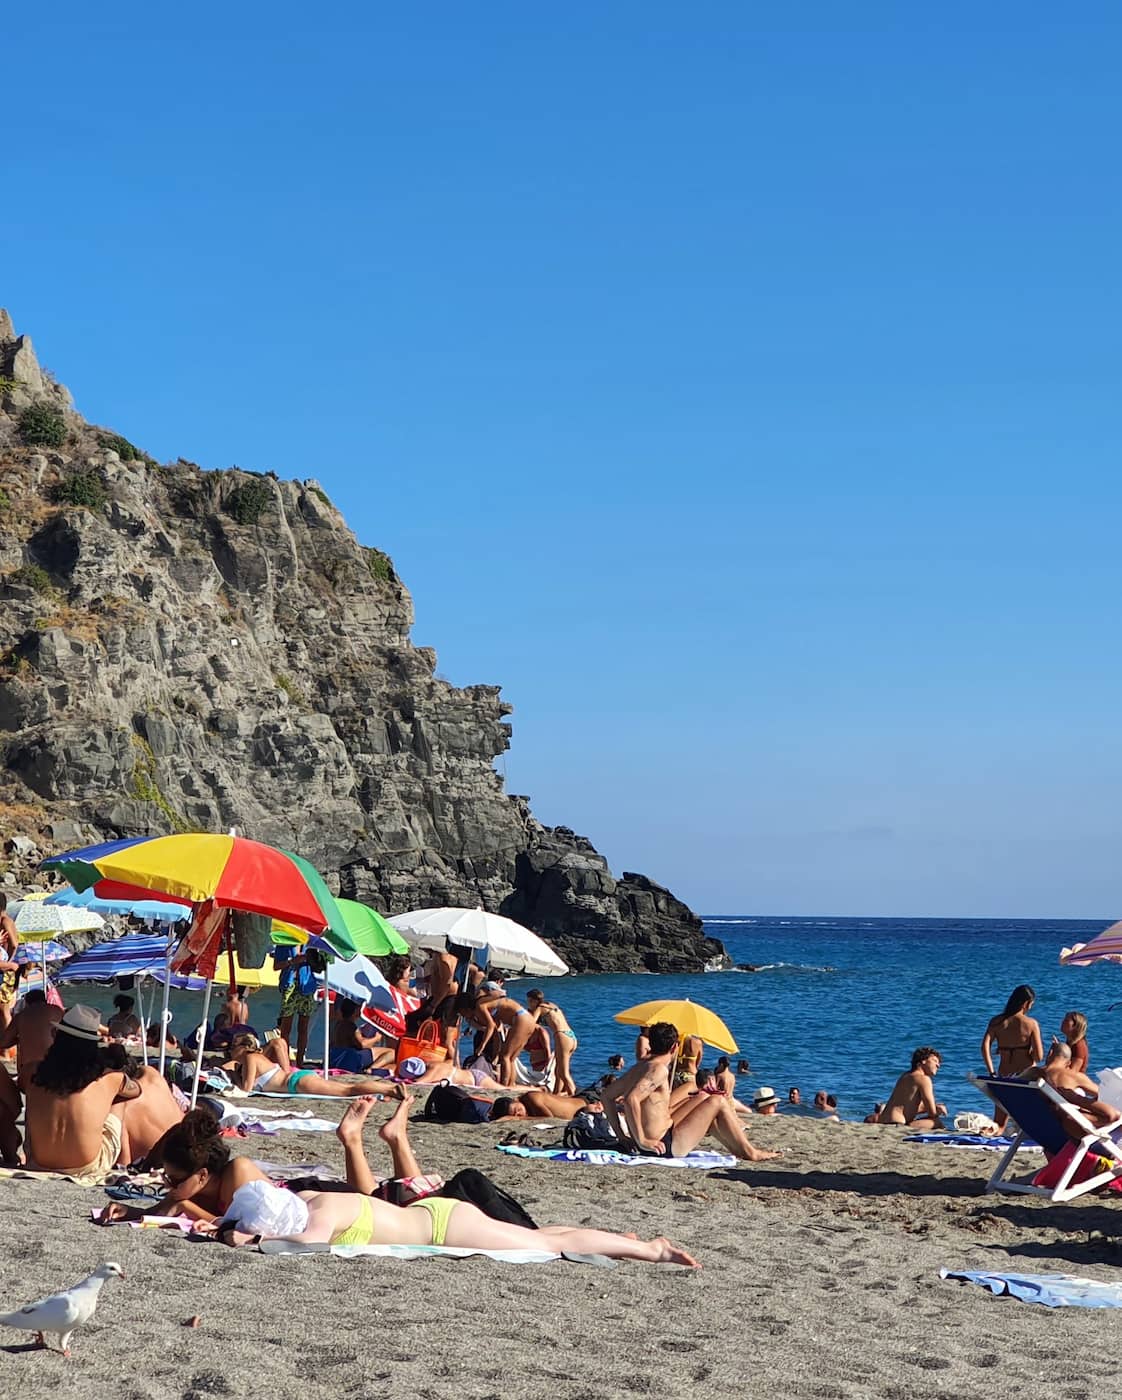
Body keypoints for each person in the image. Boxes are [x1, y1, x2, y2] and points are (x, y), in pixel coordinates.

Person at [213, 1174, 700, 1266]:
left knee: (546, 1246)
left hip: (446, 1228)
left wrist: (247, 1241)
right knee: (537, 1236)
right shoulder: (315, 1198)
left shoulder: (322, 1215)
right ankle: (618, 1240)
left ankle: (649, 1249)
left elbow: (304, 1247)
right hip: (437, 1216)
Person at [601, 1022, 780, 1162]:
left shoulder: (640, 1066)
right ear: (674, 1048)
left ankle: (740, 1150)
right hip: (663, 1146)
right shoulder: (659, 1070)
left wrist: (622, 1136)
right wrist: (642, 1140)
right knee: (717, 1101)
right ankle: (750, 1152)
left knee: (703, 1098)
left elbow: (607, 1096)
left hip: (661, 1134)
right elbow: (632, 1099)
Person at [98, 1107, 272, 1226]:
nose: (168, 1185)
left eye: (174, 1180)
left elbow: (240, 1227)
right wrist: (127, 1212)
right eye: (166, 1177)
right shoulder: (188, 1187)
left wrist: (186, 1207)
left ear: (202, 1175)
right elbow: (157, 1212)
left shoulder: (237, 1173)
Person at [25, 1004, 140, 1173]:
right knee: (119, 1099)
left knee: (34, 1102)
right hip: (87, 1164)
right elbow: (137, 1090)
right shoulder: (110, 1079)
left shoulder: (31, 1071)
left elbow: (23, 1087)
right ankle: (125, 1161)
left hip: (39, 1160)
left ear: (56, 1036)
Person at [226, 1033, 400, 1098]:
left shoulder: (251, 1058)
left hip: (296, 1083)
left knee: (348, 1090)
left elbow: (246, 1089)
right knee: (347, 1089)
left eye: (233, 1047)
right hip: (296, 1081)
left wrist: (234, 1076)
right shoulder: (256, 1058)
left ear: (243, 1048)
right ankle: (386, 1090)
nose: (231, 1051)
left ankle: (389, 1089)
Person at [100, 1044, 184, 1165]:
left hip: (164, 1161)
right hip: (185, 1141)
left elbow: (123, 1162)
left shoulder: (118, 1108)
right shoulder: (152, 1075)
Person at [981, 985, 1043, 1129]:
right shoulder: (1031, 1024)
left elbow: (984, 1047)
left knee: (999, 1123)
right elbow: (1039, 1057)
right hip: (1025, 1077)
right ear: (1026, 1003)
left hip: (1004, 1076)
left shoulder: (997, 1022)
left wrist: (991, 1072)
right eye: (1031, 1004)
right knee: (1030, 1119)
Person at [1034, 1041, 1120, 1133]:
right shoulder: (1073, 1076)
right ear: (1068, 1063)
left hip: (1037, 1123)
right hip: (1067, 1128)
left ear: (1050, 1053)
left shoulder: (1030, 1074)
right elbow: (1104, 1093)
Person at [468, 986, 543, 1086]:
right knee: (511, 1058)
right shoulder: (492, 1006)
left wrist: (482, 1045)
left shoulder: (480, 1006)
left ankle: (504, 1085)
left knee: (505, 1057)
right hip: (528, 1019)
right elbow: (496, 1033)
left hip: (521, 1019)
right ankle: (510, 1085)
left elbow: (490, 1026)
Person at [0, 988, 62, 1089]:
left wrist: (21, 1038)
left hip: (29, 1073)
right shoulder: (57, 1011)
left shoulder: (21, 1016)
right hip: (55, 1067)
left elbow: (3, 1043)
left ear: (27, 1003)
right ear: (44, 1000)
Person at [874, 1047, 947, 1129]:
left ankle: (883, 1108)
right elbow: (932, 1113)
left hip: (886, 1121)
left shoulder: (906, 1075)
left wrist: (935, 1107)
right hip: (898, 1124)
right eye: (935, 1061)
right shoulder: (924, 1079)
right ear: (923, 1061)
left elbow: (908, 1105)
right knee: (936, 1122)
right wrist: (938, 1111)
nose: (938, 1065)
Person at [273, 947, 322, 1066]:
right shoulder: (285, 943)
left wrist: (312, 959)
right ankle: (285, 1062)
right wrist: (292, 961)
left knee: (303, 1027)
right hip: (290, 985)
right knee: (285, 1028)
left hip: (307, 985)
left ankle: (300, 1062)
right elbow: (276, 966)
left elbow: (320, 966)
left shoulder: (311, 944)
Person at [525, 990, 578, 1095]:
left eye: (529, 1002)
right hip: (571, 1036)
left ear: (533, 1001)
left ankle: (574, 1096)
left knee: (563, 1073)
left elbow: (530, 1023)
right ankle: (556, 1095)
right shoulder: (551, 1005)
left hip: (561, 1036)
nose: (529, 1004)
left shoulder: (540, 1008)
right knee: (558, 1070)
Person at [330, 998, 396, 1074]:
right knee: (392, 1052)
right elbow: (363, 1044)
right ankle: (372, 1069)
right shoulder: (350, 1026)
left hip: (338, 1057)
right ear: (356, 1011)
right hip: (349, 1058)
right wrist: (376, 1038)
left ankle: (372, 1068)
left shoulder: (339, 1024)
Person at [490, 1088, 598, 1120]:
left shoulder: (531, 1098)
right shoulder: (528, 1105)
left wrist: (517, 1119)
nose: (519, 1113)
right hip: (582, 1104)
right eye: (516, 1115)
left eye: (517, 1109)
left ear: (516, 1100)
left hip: (589, 1102)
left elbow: (548, 1118)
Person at [0, 895, 21, 1044]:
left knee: (3, 1009)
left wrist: (8, 961)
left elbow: (14, 943)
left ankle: (7, 1045)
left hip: (5, 970)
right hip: (6, 968)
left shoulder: (5, 921)